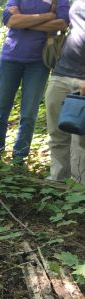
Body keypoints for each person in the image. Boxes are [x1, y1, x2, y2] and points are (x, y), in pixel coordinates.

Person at [0, 0, 70, 164]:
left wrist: (23, 21)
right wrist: (47, 16)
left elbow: (62, 24)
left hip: (39, 62)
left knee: (28, 114)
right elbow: (10, 20)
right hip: (10, 58)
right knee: (1, 110)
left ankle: (19, 159)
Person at [45, 0, 85, 183]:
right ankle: (57, 181)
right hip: (62, 72)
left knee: (81, 139)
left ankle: (78, 190)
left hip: (83, 78)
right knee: (56, 131)